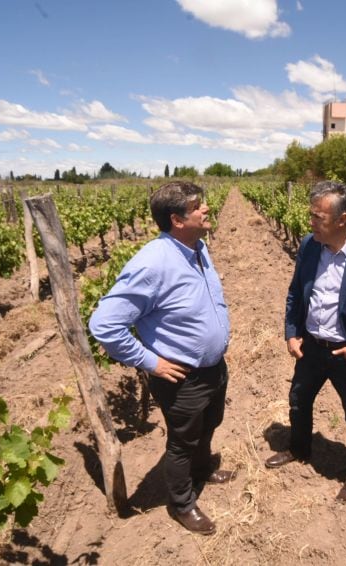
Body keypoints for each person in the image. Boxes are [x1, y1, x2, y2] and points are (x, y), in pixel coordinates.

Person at [88, 180, 233, 536]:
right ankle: (182, 503)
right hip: (182, 377)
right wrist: (151, 362)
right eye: (198, 206)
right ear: (177, 219)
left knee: (208, 425)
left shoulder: (197, 247)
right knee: (182, 442)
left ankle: (202, 471)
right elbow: (104, 325)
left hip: (214, 369)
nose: (206, 209)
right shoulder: (153, 263)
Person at [265, 180, 346, 504]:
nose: (310, 223)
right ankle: (299, 448)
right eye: (311, 216)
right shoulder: (310, 245)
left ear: (342, 219)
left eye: (317, 217)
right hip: (311, 346)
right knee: (298, 400)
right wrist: (292, 331)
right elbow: (297, 291)